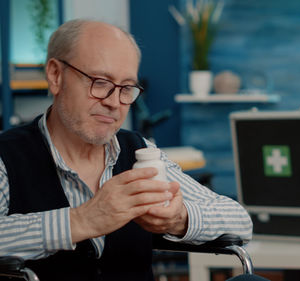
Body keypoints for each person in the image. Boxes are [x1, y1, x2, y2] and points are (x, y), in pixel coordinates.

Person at [0, 19, 252, 281]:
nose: (113, 102)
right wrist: (81, 221)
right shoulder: (6, 157)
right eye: (99, 82)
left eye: (127, 88)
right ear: (55, 75)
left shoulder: (139, 153)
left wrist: (179, 219)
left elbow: (241, 222)